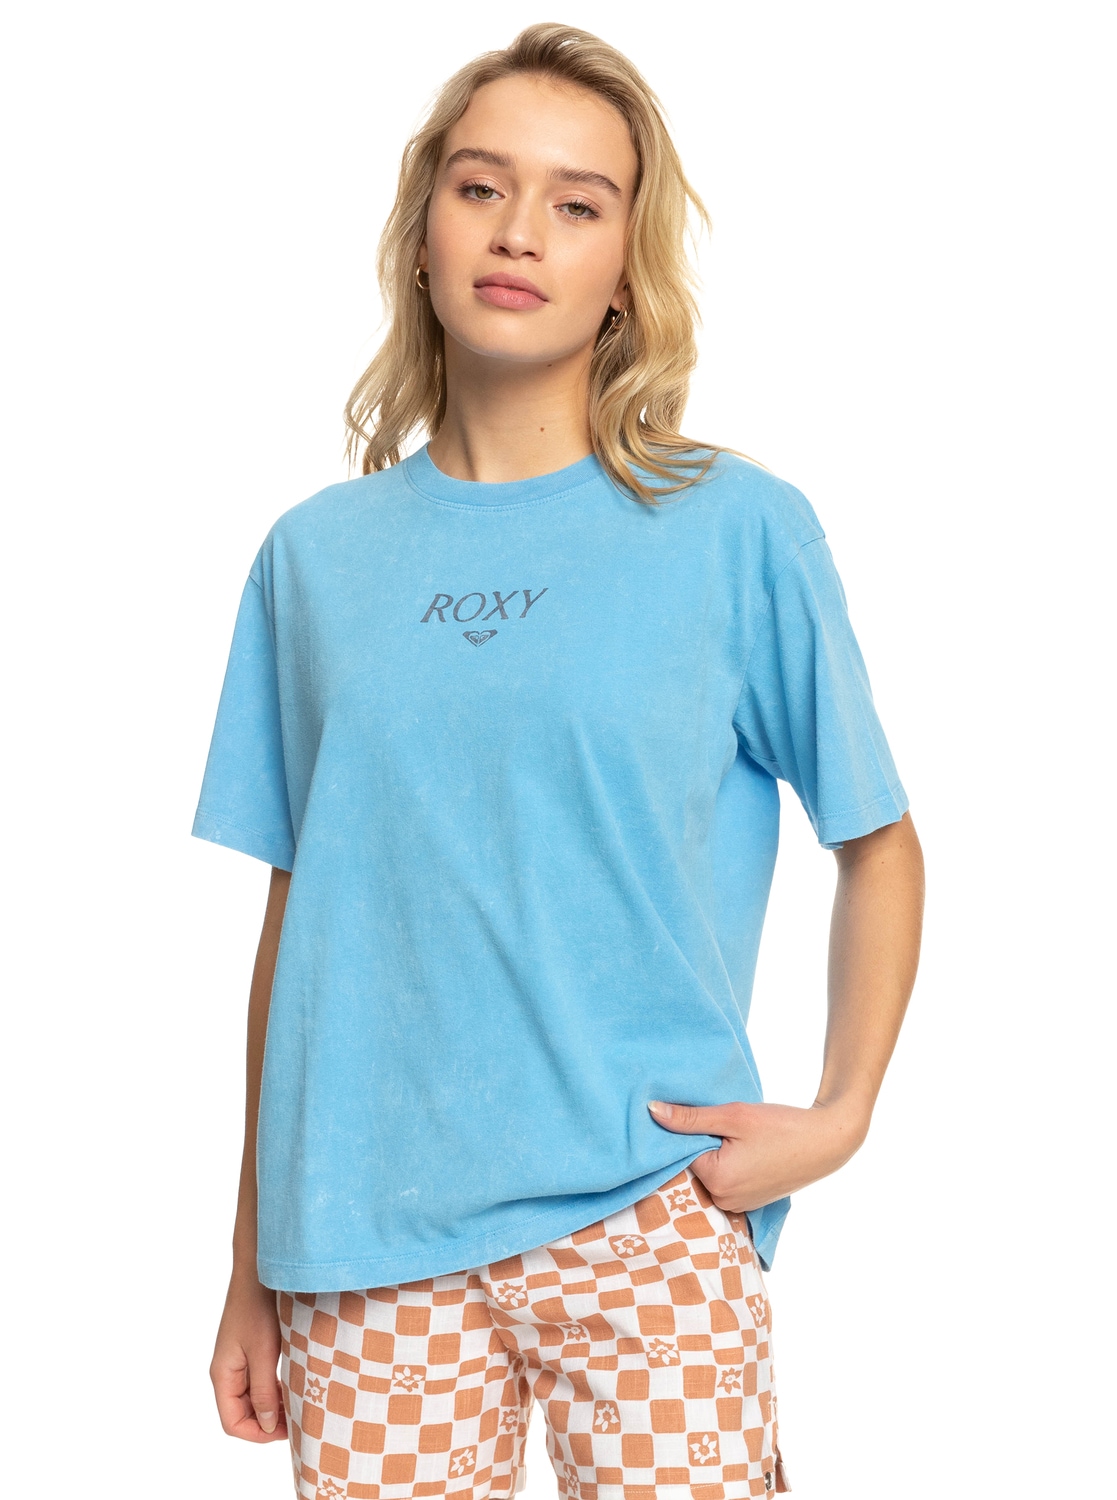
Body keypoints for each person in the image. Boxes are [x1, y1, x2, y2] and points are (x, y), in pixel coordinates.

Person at [193, 23, 925, 1500]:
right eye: (482, 187)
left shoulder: (734, 530)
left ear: (625, 269)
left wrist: (839, 1115)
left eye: (577, 203)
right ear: (423, 232)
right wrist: (250, 1261)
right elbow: (303, 923)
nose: (520, 231)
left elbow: (877, 839)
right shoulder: (313, 561)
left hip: (648, 1211)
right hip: (364, 1247)